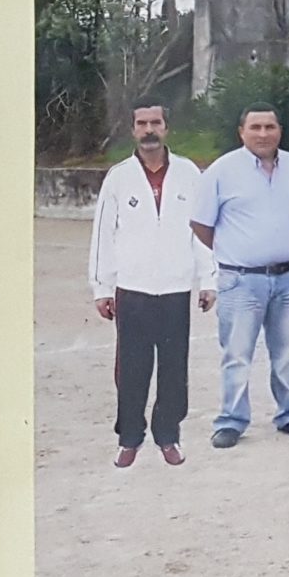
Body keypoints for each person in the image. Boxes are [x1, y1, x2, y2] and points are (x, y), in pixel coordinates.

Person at [89, 96, 216, 466]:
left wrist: (208, 279)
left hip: (175, 288)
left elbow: (201, 232)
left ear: (166, 128)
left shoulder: (189, 174)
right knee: (132, 369)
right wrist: (102, 287)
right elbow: (102, 234)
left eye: (155, 123)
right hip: (133, 290)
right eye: (142, 124)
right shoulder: (119, 177)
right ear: (133, 130)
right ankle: (129, 438)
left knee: (174, 368)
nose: (149, 130)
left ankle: (168, 436)